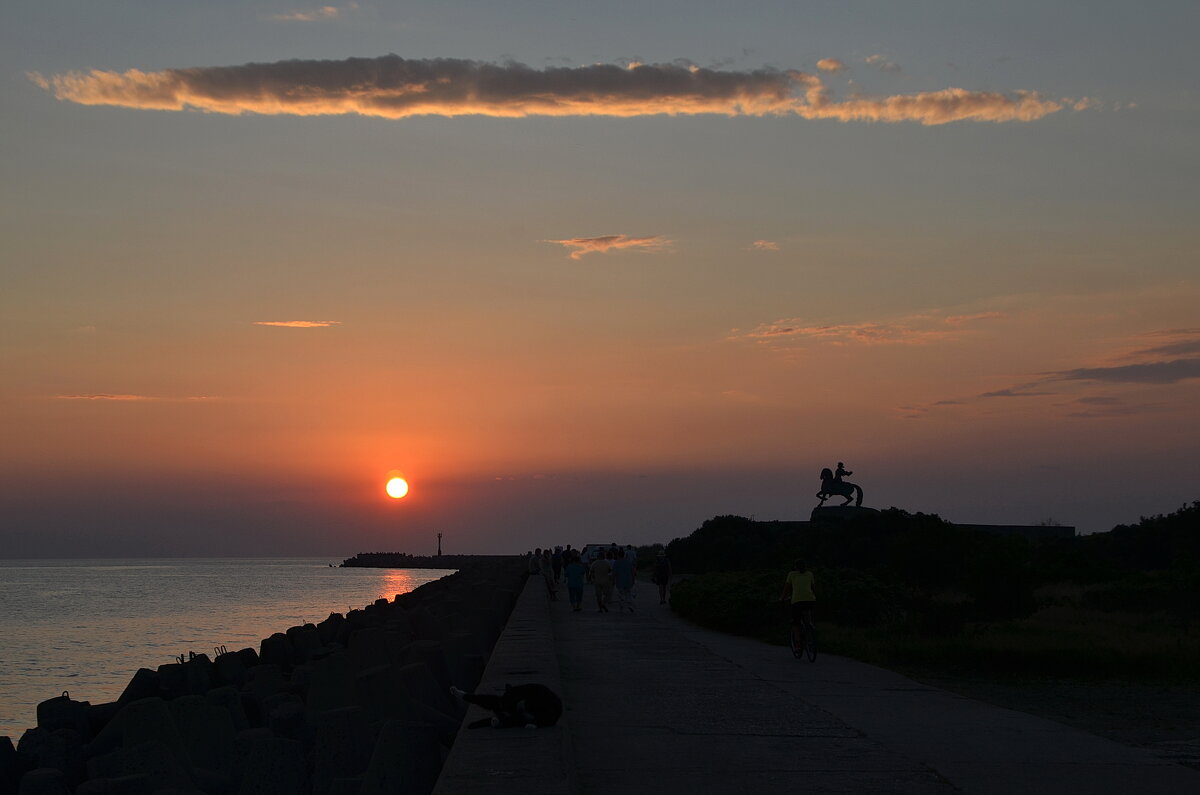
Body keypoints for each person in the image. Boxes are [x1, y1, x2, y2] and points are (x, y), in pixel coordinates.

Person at [781, 558, 816, 650]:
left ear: (795, 567)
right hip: (810, 600)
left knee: (796, 623)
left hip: (797, 601)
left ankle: (798, 644)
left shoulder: (791, 574)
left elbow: (787, 588)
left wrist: (782, 598)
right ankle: (810, 634)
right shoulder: (810, 574)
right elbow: (813, 588)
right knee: (807, 619)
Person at [612, 548, 635, 613]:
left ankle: (621, 607)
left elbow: (614, 573)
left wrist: (613, 580)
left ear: (618, 555)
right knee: (628, 594)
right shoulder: (628, 562)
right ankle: (630, 605)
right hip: (628, 580)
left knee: (621, 594)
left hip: (620, 581)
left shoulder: (616, 562)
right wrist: (633, 579)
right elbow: (632, 572)